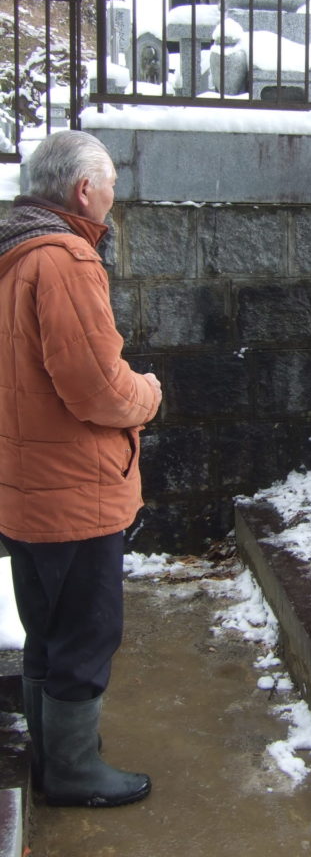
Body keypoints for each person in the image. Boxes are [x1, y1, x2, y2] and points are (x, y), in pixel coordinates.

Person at [0, 130, 162, 805]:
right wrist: (150, 393)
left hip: (25, 487)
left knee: (49, 628)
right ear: (83, 189)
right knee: (87, 632)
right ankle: (71, 772)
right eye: (113, 186)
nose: (114, 198)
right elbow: (97, 387)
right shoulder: (64, 258)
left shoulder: (13, 251)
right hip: (74, 492)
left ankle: (55, 755)